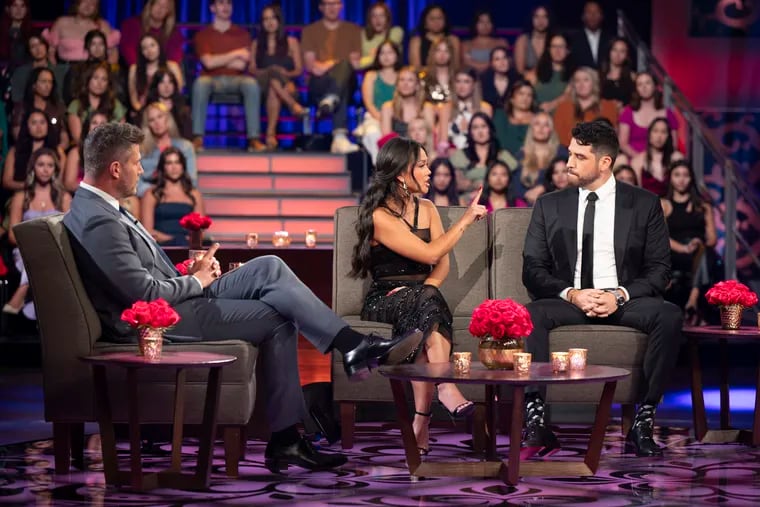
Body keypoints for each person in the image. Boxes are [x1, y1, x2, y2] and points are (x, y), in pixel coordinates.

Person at [63, 122, 424, 473]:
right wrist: (198, 282)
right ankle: (290, 434)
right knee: (277, 316)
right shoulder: (99, 220)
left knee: (269, 266)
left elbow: (144, 276)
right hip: (159, 325)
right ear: (115, 168)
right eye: (137, 162)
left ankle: (349, 349)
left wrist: (190, 272)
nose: (142, 169)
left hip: (177, 300)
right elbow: (142, 294)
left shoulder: (101, 209)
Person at [521, 120, 683, 458]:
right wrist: (573, 293)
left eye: (579, 157)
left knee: (668, 316)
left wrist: (618, 295)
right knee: (532, 314)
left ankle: (644, 421)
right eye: (569, 154)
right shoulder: (549, 205)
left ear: (604, 162)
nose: (569, 163)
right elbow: (532, 270)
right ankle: (535, 419)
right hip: (571, 299)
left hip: (622, 300)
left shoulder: (643, 204)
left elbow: (660, 270)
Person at [351, 136, 486, 454]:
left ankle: (420, 424)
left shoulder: (426, 209)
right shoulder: (380, 216)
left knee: (427, 313)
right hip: (385, 298)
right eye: (422, 165)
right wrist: (465, 220)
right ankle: (446, 387)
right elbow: (429, 253)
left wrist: (427, 290)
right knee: (427, 308)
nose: (429, 172)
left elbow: (442, 264)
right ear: (401, 174)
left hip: (422, 296)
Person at [4, 147, 71, 317]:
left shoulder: (63, 197)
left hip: (57, 250)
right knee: (38, 253)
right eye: (41, 164)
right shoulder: (22, 196)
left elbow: (70, 232)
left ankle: (23, 290)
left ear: (55, 169)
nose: (45, 169)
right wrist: (33, 242)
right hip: (25, 250)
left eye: (50, 165)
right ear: (33, 167)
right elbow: (12, 234)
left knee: (48, 253)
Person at [191, 0, 265, 153]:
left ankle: (253, 139)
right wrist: (236, 53)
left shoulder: (242, 34)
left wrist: (217, 59)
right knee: (200, 83)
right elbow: (208, 63)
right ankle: (198, 138)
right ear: (212, 8)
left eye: (228, 4)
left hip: (237, 79)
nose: (225, 7)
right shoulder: (203, 35)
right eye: (221, 3)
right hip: (211, 80)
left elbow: (241, 65)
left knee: (251, 84)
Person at [301, 0, 362, 154]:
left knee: (345, 71)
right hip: (318, 84)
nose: (332, 8)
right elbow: (312, 67)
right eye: (327, 4)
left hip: (348, 81)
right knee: (341, 83)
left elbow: (354, 64)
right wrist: (336, 62)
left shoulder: (353, 30)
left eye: (335, 3)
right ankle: (339, 137)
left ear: (342, 6)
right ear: (321, 7)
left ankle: (331, 99)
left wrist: (328, 65)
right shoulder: (310, 31)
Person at [661, 160, 717, 325]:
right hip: (674, 252)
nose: (681, 179)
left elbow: (713, 239)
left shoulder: (703, 205)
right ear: (670, 178)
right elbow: (661, 238)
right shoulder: (663, 204)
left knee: (705, 253)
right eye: (677, 175)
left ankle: (692, 299)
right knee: (703, 257)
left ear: (691, 178)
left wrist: (698, 242)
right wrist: (684, 248)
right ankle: (693, 303)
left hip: (698, 251)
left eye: (686, 175)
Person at [249, 3, 306, 150]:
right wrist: (269, 71)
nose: (270, 22)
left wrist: (286, 75)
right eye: (265, 19)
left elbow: (299, 70)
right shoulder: (257, 44)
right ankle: (292, 105)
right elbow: (252, 69)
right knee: (273, 73)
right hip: (261, 87)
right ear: (262, 23)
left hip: (287, 86)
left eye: (273, 18)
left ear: (279, 21)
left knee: (274, 86)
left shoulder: (291, 42)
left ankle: (270, 135)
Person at [141, 147, 204, 246]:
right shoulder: (151, 194)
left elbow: (200, 230)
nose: (174, 167)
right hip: (161, 246)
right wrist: (173, 239)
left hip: (187, 245)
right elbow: (147, 231)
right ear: (163, 167)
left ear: (183, 166)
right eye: (169, 163)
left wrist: (184, 240)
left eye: (177, 162)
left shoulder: (194, 194)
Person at [137, 101, 197, 197]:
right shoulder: (142, 150)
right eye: (152, 120)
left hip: (180, 194)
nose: (157, 123)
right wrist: (157, 191)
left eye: (160, 117)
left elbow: (192, 181)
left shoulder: (185, 147)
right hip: (151, 195)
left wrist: (172, 190)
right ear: (148, 125)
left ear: (167, 118)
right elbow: (136, 183)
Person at [618, 71, 679, 159]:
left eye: (648, 83)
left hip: (662, 161)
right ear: (636, 89)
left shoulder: (668, 113)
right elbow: (623, 144)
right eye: (640, 84)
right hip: (635, 160)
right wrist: (640, 160)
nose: (644, 87)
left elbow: (674, 145)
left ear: (655, 86)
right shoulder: (628, 112)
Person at [356, 39, 400, 162]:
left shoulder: (402, 76)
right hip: (375, 117)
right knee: (373, 134)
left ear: (397, 55)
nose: (386, 56)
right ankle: (383, 170)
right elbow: (368, 103)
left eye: (390, 52)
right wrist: (382, 119)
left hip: (398, 118)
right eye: (382, 53)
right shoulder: (371, 75)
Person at [553, 67, 618, 146]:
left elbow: (610, 136)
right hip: (569, 151)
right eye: (577, 81)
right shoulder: (564, 107)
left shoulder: (608, 106)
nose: (581, 85)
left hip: (598, 152)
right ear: (574, 85)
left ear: (594, 83)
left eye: (586, 80)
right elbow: (559, 136)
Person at [3, 108, 65, 191]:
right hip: (21, 194)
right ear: (27, 126)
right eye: (34, 123)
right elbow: (6, 182)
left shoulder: (58, 151)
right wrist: (29, 186)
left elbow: (60, 181)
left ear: (48, 125)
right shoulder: (15, 151)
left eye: (42, 122)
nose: (39, 127)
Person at [66, 61, 127, 146]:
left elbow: (121, 136)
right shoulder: (76, 105)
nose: (99, 83)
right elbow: (78, 139)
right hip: (84, 151)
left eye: (104, 79)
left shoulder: (115, 105)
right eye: (95, 78)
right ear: (88, 80)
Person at [43, 0, 120, 64]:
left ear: (96, 8)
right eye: (84, 1)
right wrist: (56, 72)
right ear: (76, 3)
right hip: (66, 69)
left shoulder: (102, 25)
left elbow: (113, 53)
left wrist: (107, 72)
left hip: (94, 72)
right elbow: (50, 52)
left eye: (92, 4)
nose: (88, 6)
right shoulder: (61, 22)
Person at [127, 33, 183, 116]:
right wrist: (144, 112)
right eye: (145, 48)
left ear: (159, 46)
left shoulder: (172, 66)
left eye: (152, 45)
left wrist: (163, 110)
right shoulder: (134, 69)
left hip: (169, 111)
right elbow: (134, 99)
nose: (149, 50)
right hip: (143, 112)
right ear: (141, 52)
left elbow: (178, 92)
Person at [119, 0, 185, 67]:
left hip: (162, 72)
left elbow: (173, 59)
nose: (160, 8)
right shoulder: (131, 25)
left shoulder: (174, 33)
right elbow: (127, 50)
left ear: (169, 12)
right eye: (157, 4)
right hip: (135, 69)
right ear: (150, 5)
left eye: (165, 6)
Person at [630, 117, 683, 197]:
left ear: (668, 136)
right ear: (649, 134)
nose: (659, 136)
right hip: (647, 205)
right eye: (655, 131)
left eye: (663, 132)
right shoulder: (637, 161)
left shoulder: (677, 158)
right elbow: (636, 193)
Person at [145, 67, 192, 141]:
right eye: (162, 82)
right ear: (156, 85)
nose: (166, 86)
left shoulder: (181, 105)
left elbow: (186, 133)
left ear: (174, 85)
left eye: (170, 82)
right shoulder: (150, 106)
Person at [530, 33, 573, 113]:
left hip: (561, 117)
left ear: (567, 50)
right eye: (554, 46)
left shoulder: (573, 75)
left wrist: (552, 105)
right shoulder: (535, 73)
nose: (557, 50)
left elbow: (568, 96)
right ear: (549, 49)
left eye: (561, 47)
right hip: (537, 118)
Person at [408, 4, 460, 70]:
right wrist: (426, 77)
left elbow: (456, 66)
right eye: (432, 19)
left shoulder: (453, 40)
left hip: (448, 78)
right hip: (423, 78)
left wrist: (444, 76)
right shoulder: (416, 41)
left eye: (439, 18)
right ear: (424, 21)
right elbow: (416, 68)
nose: (436, 22)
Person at [493, 79, 536, 156]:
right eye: (521, 94)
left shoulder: (538, 118)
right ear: (511, 98)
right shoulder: (500, 116)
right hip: (504, 160)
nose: (525, 98)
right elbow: (499, 142)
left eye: (529, 95)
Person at [358, 1, 404, 70]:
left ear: (387, 18)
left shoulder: (396, 32)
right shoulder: (363, 34)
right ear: (369, 19)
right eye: (374, 16)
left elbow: (387, 58)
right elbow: (359, 64)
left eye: (381, 15)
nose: (378, 20)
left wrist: (370, 57)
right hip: (370, 73)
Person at [568, 0, 613, 70]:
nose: (593, 15)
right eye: (589, 12)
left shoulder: (610, 39)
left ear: (602, 16)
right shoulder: (572, 39)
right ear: (583, 16)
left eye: (596, 12)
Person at [513, 5, 551, 76]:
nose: (540, 21)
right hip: (528, 81)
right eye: (537, 17)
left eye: (544, 16)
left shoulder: (554, 39)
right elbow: (520, 70)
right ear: (531, 19)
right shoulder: (523, 40)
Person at [480, 46, 521, 111]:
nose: (502, 62)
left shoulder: (517, 80)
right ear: (491, 63)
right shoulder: (483, 81)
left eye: (504, 58)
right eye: (497, 59)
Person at [600, 37, 635, 108]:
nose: (617, 54)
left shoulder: (633, 77)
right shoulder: (598, 76)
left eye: (622, 51)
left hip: (625, 116)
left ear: (627, 55)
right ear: (609, 52)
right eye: (614, 50)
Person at [0, 0, 31, 71]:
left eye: (22, 6)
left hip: (26, 71)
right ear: (7, 9)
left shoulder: (32, 32)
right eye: (15, 5)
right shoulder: (2, 31)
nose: (19, 9)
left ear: (26, 10)